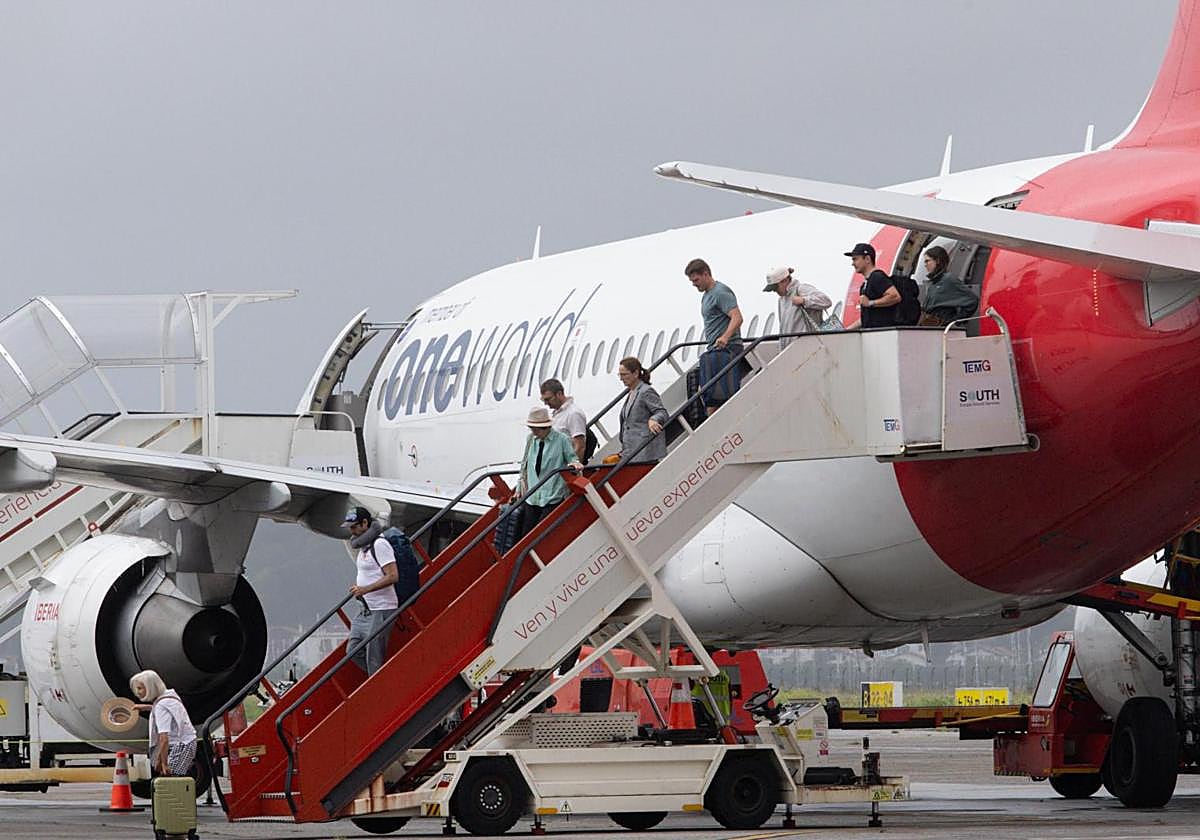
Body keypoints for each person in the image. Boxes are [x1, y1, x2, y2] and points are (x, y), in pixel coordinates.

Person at [343, 506, 399, 675]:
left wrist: (365, 589)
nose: (351, 532)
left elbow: (392, 576)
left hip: (382, 607)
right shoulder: (363, 548)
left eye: (354, 527)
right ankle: (381, 679)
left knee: (374, 657)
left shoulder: (380, 545)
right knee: (352, 650)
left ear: (365, 523)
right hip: (366, 608)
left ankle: (379, 682)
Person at [685, 258, 744, 414]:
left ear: (706, 274)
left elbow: (737, 317)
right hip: (714, 350)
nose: (694, 284)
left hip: (726, 349)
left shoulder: (720, 292)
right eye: (691, 281)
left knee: (715, 398)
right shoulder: (706, 295)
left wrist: (725, 336)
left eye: (696, 280)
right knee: (707, 395)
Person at [516, 407, 582, 537]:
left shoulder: (562, 439)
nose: (533, 431)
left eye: (535, 428)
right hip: (533, 495)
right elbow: (525, 463)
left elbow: (572, 458)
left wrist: (574, 464)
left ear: (544, 427)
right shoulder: (531, 439)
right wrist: (519, 486)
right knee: (526, 534)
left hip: (552, 494)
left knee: (542, 535)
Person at [129, 669, 197, 778]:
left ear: (150, 687)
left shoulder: (161, 706)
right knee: (173, 779)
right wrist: (147, 707)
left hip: (180, 745)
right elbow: (168, 710)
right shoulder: (169, 696)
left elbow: (164, 738)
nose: (138, 692)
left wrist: (164, 763)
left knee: (172, 778)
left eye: (140, 688)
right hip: (187, 741)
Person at [763, 266, 832, 347]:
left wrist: (804, 300)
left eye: (776, 287)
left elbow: (827, 301)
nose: (774, 291)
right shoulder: (781, 300)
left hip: (806, 345)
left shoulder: (801, 289)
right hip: (791, 347)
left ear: (785, 281)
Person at [617, 357, 669, 463]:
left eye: (624, 375)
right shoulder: (632, 392)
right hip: (631, 450)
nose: (621, 378)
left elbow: (661, 412)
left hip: (645, 451)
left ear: (635, 373)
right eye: (620, 375)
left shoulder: (646, 391)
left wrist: (654, 419)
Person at [918, 245, 980, 327]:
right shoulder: (933, 283)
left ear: (937, 261)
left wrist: (953, 322)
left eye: (927, 261)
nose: (925, 265)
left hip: (941, 328)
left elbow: (972, 300)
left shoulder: (948, 279)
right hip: (930, 326)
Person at [847, 243, 900, 328]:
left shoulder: (877, 277)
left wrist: (871, 303)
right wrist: (846, 330)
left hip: (881, 333)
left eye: (855, 259)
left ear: (867, 259)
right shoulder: (865, 284)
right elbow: (865, 318)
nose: (853, 263)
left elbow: (895, 296)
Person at [540, 378, 587, 460]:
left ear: (559, 394)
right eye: (544, 400)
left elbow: (580, 446)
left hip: (565, 467)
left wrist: (572, 468)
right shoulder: (557, 414)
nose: (545, 403)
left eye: (548, 399)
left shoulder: (573, 413)